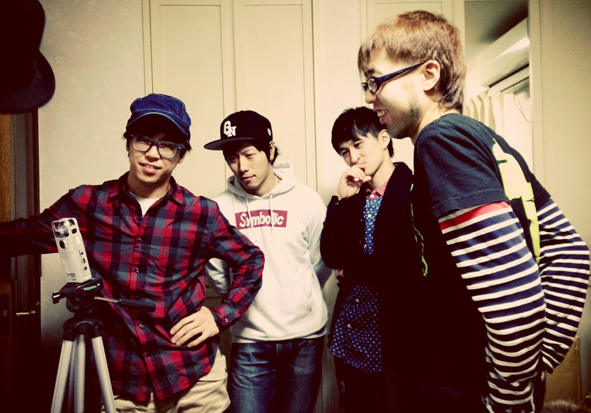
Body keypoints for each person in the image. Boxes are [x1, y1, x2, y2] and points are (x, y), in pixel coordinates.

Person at [357, 10, 590, 413]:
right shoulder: (480, 136)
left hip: (468, 389)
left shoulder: (441, 142)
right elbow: (572, 253)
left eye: (376, 80)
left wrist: (506, 395)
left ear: (429, 75)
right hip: (486, 383)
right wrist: (532, 369)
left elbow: (516, 299)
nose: (368, 96)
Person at [0, 93, 265, 412]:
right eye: (143, 140)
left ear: (181, 156)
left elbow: (251, 259)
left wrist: (218, 316)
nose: (153, 154)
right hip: (124, 384)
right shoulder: (87, 204)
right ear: (128, 143)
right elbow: (19, 236)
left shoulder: (201, 213)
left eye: (167, 146)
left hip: (194, 379)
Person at [203, 110, 331, 413]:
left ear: (270, 150)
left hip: (305, 338)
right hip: (250, 340)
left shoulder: (306, 200)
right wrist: (244, 300)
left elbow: (320, 263)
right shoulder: (219, 207)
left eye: (249, 155)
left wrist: (295, 292)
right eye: (232, 158)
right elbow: (217, 273)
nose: (241, 167)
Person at [320, 106, 424, 412]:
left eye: (358, 144)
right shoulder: (354, 195)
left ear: (383, 139)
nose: (353, 157)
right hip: (350, 332)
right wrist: (341, 202)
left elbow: (403, 264)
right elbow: (332, 255)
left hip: (395, 333)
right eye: (344, 151)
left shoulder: (413, 189)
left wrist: (353, 269)